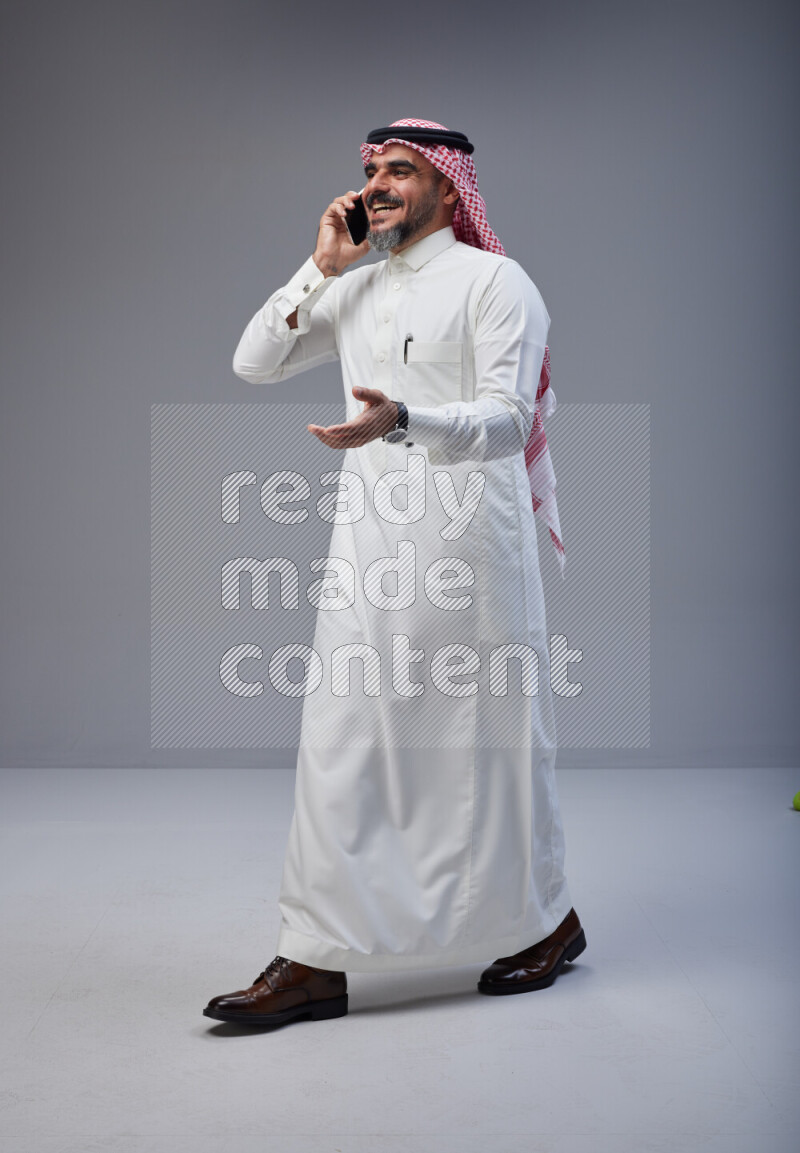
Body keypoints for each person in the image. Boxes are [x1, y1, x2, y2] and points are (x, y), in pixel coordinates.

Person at [204, 119, 584, 1028]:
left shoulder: (499, 283)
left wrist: (405, 416)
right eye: (370, 171)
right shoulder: (356, 287)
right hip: (368, 552)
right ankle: (314, 959)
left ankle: (545, 922)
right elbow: (252, 362)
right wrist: (320, 267)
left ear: (451, 190)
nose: (377, 185)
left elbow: (502, 421)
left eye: (400, 171)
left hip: (472, 552)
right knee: (343, 745)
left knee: (484, 751)